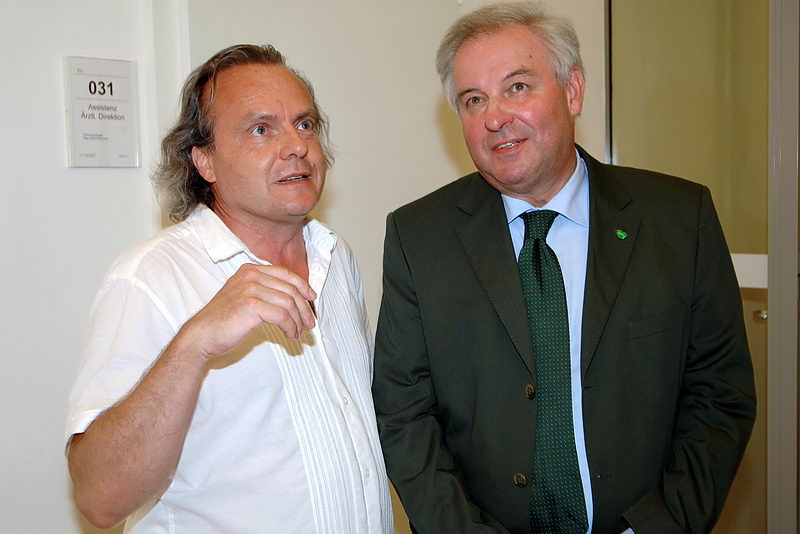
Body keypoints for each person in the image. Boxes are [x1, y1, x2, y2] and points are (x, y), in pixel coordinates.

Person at [372, 3, 755, 533]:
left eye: (517, 87)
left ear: (572, 91)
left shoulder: (678, 219)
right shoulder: (419, 238)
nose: (494, 117)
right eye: (473, 99)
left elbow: (718, 395)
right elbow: (404, 414)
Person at [66, 44, 393, 533]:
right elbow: (100, 498)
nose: (297, 146)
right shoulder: (149, 277)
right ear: (205, 162)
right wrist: (193, 343)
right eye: (261, 129)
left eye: (305, 124)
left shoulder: (335, 256)